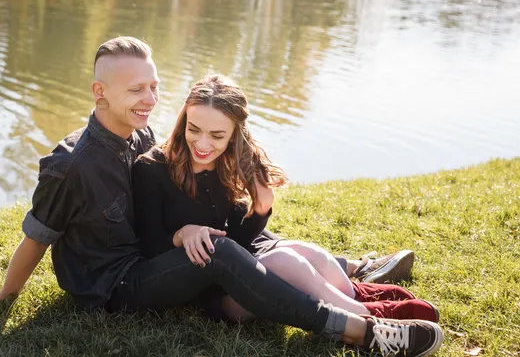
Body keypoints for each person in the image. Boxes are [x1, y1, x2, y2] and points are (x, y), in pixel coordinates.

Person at [0, 37, 443, 357]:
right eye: (136, 90)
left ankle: (349, 271)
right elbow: (37, 235)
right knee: (217, 248)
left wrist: (252, 206)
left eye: (154, 85)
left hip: (158, 259)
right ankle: (357, 331)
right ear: (99, 92)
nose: (150, 98)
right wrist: (3, 297)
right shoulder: (71, 165)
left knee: (228, 232)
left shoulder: (142, 135)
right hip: (117, 285)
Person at [131, 74, 438, 322]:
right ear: (183, 119)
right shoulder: (151, 168)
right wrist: (183, 235)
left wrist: (260, 209)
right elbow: (148, 250)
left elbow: (235, 240)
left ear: (234, 134)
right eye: (194, 129)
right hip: (208, 295)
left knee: (306, 252)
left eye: (217, 136)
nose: (202, 143)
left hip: (234, 275)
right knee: (283, 260)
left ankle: (355, 295)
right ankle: (367, 314)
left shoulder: (227, 164)